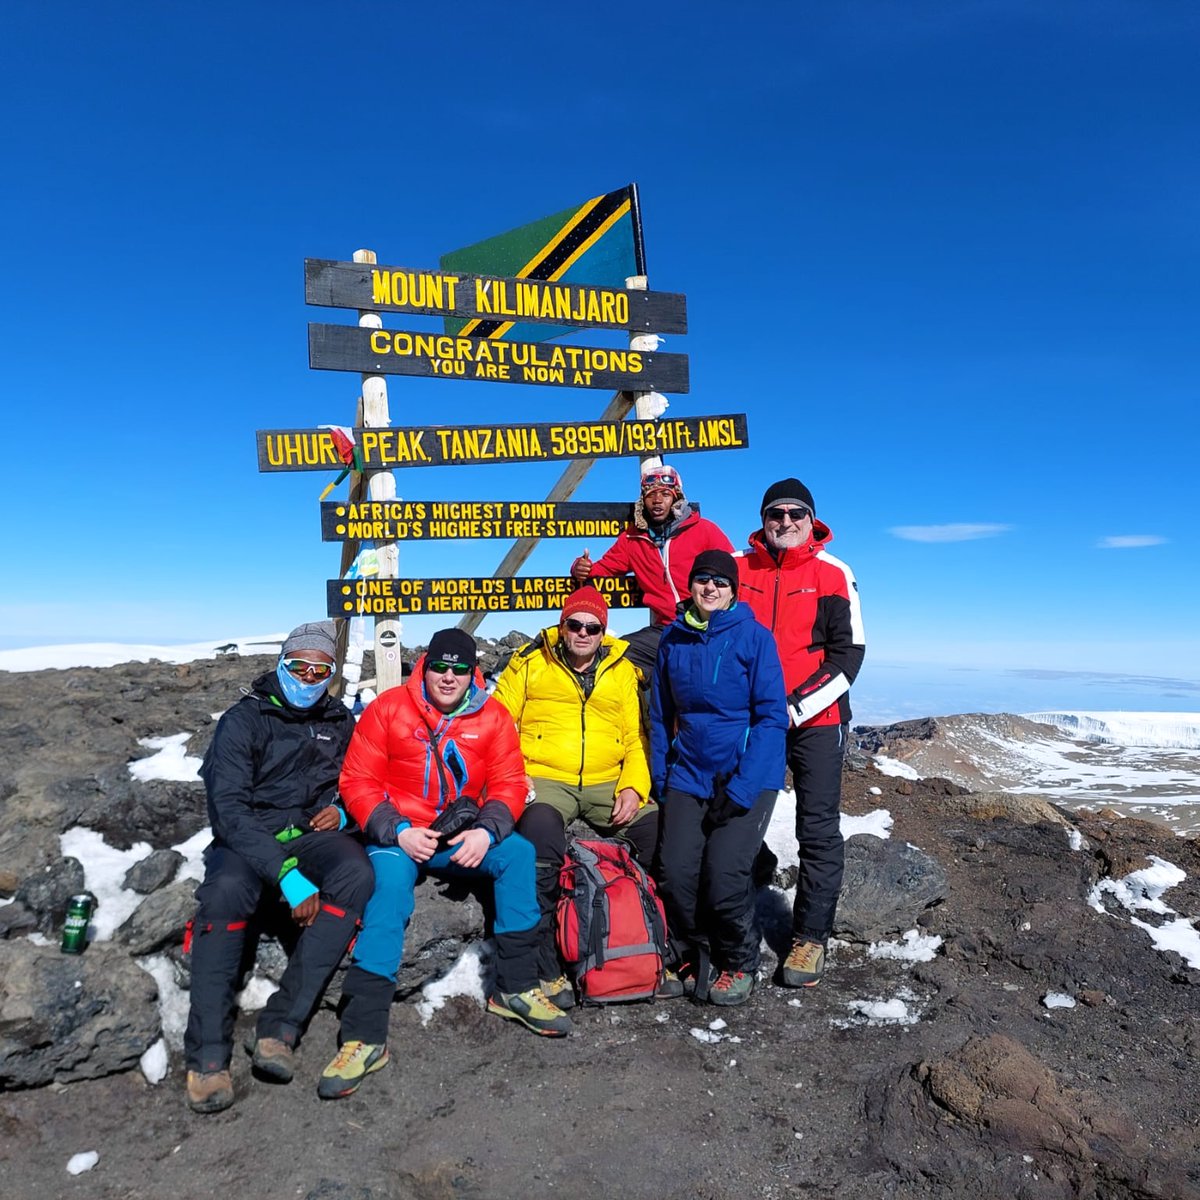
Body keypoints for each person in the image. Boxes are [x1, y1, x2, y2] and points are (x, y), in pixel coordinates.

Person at [319, 628, 570, 1100]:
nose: (448, 677)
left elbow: (510, 784)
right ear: (425, 665)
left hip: (461, 835)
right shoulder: (388, 708)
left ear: (473, 672)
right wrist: (397, 829)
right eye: (440, 666)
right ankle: (364, 1036)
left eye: (459, 669)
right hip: (401, 836)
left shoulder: (492, 717)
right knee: (388, 890)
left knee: (516, 854)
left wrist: (487, 830)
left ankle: (514, 989)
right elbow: (358, 781)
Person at [184, 621, 373, 1115]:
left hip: (310, 834)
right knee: (225, 891)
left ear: (331, 674)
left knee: (356, 872)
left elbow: (357, 781)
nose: (308, 677)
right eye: (299, 666)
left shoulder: (338, 721)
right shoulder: (244, 720)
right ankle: (207, 1056)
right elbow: (228, 809)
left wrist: (345, 811)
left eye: (320, 670)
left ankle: (280, 1029)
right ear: (282, 664)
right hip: (247, 841)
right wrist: (286, 875)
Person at [492, 585, 656, 1009]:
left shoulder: (621, 670)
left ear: (604, 631)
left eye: (593, 626)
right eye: (575, 624)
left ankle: (657, 948)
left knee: (659, 835)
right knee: (541, 842)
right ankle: (546, 963)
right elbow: (499, 723)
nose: (583, 633)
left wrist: (635, 787)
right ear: (562, 625)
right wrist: (514, 777)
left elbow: (637, 739)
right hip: (545, 778)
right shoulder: (530, 662)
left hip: (606, 780)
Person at [736, 479, 866, 988]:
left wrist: (796, 706)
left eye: (795, 513)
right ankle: (742, 899)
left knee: (817, 828)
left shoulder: (834, 572)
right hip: (751, 720)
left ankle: (810, 936)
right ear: (763, 519)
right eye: (775, 512)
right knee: (736, 815)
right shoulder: (738, 566)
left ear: (812, 520)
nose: (785, 521)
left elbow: (848, 653)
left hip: (817, 721)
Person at [651, 550, 787, 1006]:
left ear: (733, 590)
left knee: (725, 874)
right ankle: (694, 951)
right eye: (702, 579)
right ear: (690, 585)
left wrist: (744, 786)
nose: (710, 587)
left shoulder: (754, 638)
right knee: (675, 873)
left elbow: (771, 719)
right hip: (688, 773)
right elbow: (659, 715)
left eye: (720, 581)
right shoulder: (674, 639)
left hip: (746, 774)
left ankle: (739, 960)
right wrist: (659, 777)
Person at [570, 461, 734, 679]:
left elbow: (734, 571)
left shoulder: (704, 530)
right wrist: (579, 567)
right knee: (615, 656)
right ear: (643, 501)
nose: (657, 500)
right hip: (667, 629)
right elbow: (601, 568)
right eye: (650, 495)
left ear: (676, 498)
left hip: (713, 626)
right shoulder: (632, 539)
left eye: (665, 494)